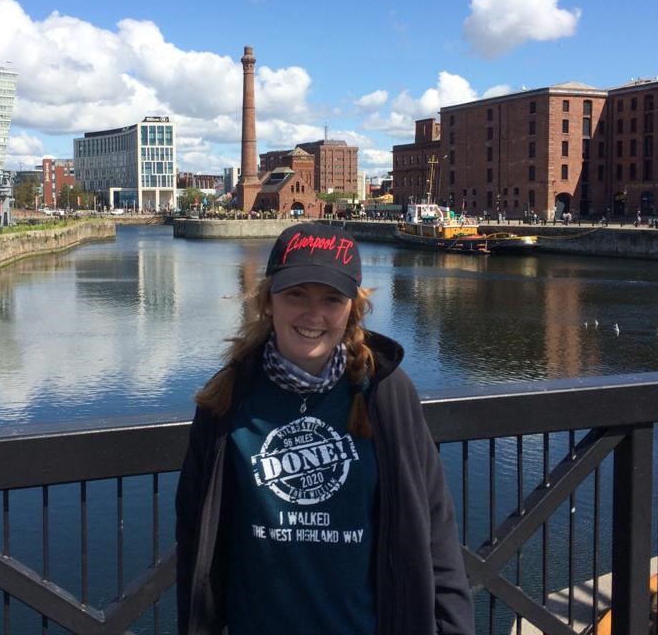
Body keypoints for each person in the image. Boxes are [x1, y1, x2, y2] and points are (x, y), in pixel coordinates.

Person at [176, 223, 474, 635]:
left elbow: (435, 531)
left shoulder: (384, 392)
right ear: (268, 302)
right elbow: (196, 539)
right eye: (296, 294)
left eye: (332, 298)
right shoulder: (227, 397)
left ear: (353, 307)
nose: (313, 314)